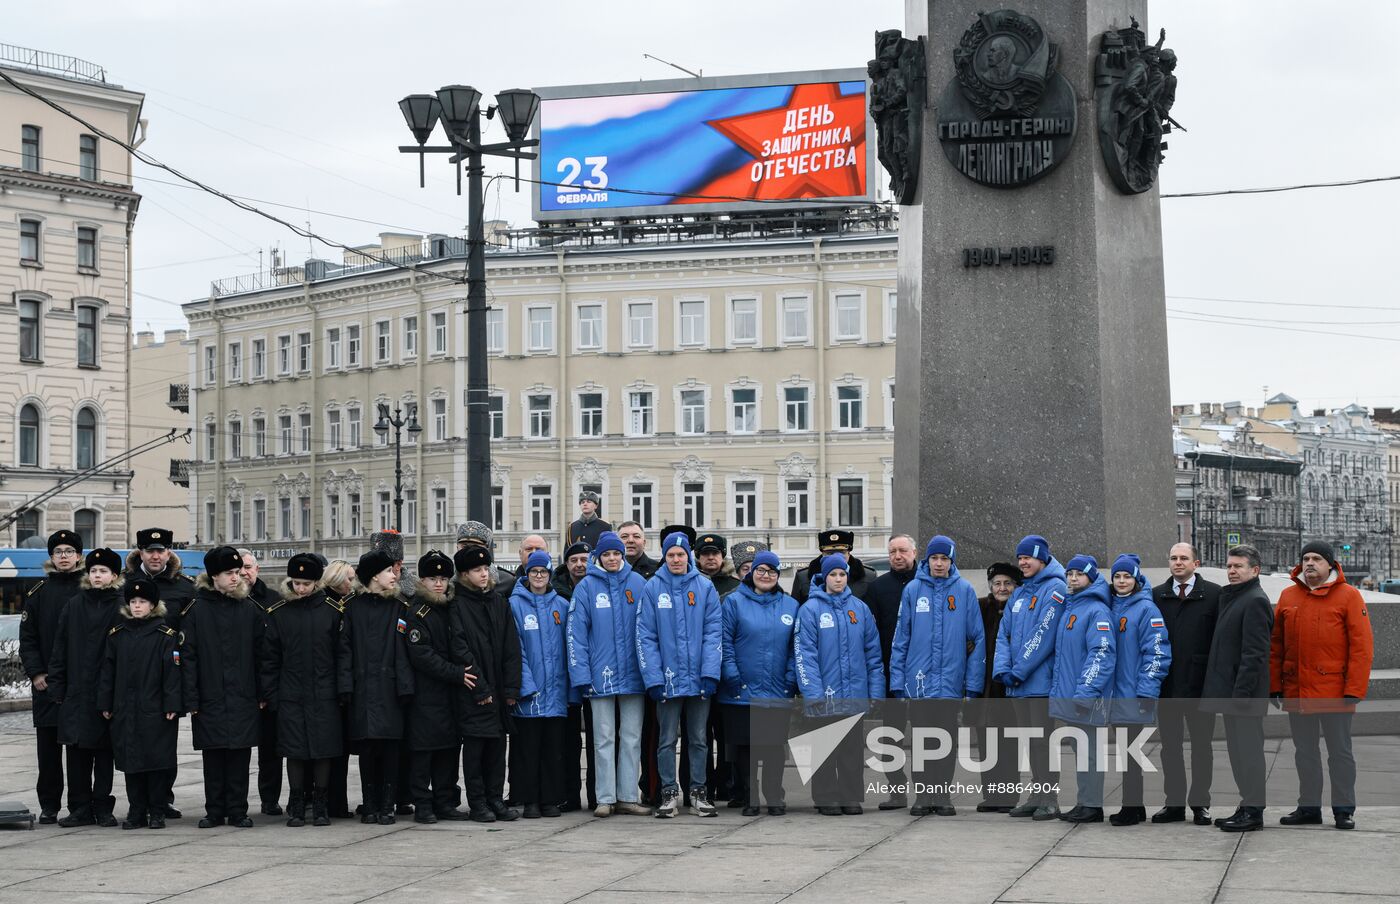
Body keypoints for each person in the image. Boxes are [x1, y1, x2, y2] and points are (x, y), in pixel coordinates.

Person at [1271, 541, 1374, 831]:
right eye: (1306, 558)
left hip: (1335, 692)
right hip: (1297, 689)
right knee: (1304, 753)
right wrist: (1274, 685)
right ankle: (1308, 807)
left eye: (1317, 558)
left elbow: (1362, 647)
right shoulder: (1288, 596)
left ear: (1330, 564)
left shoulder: (1349, 596)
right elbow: (1276, 646)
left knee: (1339, 753)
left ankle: (1343, 809)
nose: (1310, 563)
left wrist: (1353, 689)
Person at [888, 535, 985, 816]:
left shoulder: (964, 591)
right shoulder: (913, 591)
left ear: (952, 561)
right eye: (935, 558)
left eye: (944, 559)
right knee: (920, 741)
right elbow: (901, 638)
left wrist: (972, 685)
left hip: (950, 683)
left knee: (945, 741)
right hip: (918, 682)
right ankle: (923, 795)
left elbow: (976, 639)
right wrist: (897, 681)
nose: (939, 563)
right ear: (927, 559)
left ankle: (942, 795)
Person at [259, 553, 351, 828]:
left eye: (306, 583)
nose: (301, 589)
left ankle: (321, 805)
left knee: (323, 751)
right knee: (295, 751)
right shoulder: (279, 614)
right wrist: (271, 694)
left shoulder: (332, 612)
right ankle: (297, 804)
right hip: (291, 694)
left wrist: (343, 690)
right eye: (297, 583)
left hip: (325, 694)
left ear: (316, 583)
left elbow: (342, 655)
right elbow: (270, 659)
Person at [637, 532, 723, 818]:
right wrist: (654, 678)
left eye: (681, 554)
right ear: (665, 556)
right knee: (666, 740)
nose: (676, 559)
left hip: (699, 678)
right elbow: (646, 636)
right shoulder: (653, 589)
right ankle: (668, 792)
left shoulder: (704, 587)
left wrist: (710, 673)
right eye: (671, 555)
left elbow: (713, 632)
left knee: (698, 738)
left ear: (689, 557)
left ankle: (699, 791)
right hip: (667, 679)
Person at [567, 531, 652, 818]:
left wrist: (649, 671)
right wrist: (581, 675)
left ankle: (627, 796)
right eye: (607, 554)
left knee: (631, 737)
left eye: (616, 553)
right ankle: (605, 797)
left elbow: (649, 630)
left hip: (633, 676)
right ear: (599, 557)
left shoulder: (639, 584)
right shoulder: (587, 588)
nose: (613, 558)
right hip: (598, 675)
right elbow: (576, 634)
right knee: (603, 738)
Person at [182, 545, 265, 828]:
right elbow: (188, 657)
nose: (236, 577)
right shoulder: (196, 610)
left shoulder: (249, 609)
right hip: (210, 697)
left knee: (240, 756)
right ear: (213, 576)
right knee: (214, 756)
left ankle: (238, 809)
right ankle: (215, 810)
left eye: (238, 572)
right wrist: (191, 698)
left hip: (243, 695)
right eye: (229, 573)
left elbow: (261, 655)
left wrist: (262, 693)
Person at [794, 554, 883, 815]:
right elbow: (804, 655)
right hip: (824, 693)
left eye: (842, 574)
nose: (838, 579)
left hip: (854, 693)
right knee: (824, 748)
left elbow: (872, 654)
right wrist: (813, 692)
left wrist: (875, 691)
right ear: (824, 577)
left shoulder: (859, 609)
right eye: (833, 575)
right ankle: (826, 796)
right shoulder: (810, 610)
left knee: (851, 750)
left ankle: (850, 795)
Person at [47, 547, 125, 827]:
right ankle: (79, 807)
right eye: (93, 570)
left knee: (104, 755)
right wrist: (57, 686)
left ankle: (103, 806)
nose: (97, 576)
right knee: (77, 755)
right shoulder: (74, 604)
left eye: (103, 571)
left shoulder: (121, 606)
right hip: (76, 694)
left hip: (107, 694)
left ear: (114, 575)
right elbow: (60, 647)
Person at [993, 535, 1068, 820]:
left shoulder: (1055, 588)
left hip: (1038, 683)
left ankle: (1050, 798)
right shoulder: (1020, 593)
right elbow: (1004, 634)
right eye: (1020, 558)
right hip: (1016, 683)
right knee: (1029, 740)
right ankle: (1036, 795)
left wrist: (1019, 670)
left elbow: (1044, 634)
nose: (1023, 562)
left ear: (1042, 559)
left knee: (1043, 742)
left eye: (1028, 558)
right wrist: (1003, 670)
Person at [719, 550, 798, 816]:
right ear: (751, 573)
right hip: (741, 689)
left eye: (772, 572)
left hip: (777, 689)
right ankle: (750, 797)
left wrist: (790, 678)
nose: (766, 576)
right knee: (746, 748)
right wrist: (731, 675)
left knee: (774, 747)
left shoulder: (790, 606)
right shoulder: (734, 602)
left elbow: (794, 648)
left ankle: (774, 796)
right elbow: (725, 642)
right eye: (761, 571)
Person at [1201, 544, 1274, 833]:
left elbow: (1255, 654)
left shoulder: (1254, 600)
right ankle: (1247, 805)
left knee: (1249, 753)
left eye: (1238, 566)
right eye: (1229, 566)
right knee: (1238, 753)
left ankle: (1254, 811)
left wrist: (1241, 695)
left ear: (1254, 570)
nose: (1231, 571)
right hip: (1233, 694)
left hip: (1244, 696)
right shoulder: (1234, 597)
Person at [122, 527, 193, 820]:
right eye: (149, 550)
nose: (155, 555)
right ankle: (140, 803)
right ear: (140, 552)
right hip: (131, 676)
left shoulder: (184, 587)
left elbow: (192, 632)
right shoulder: (124, 584)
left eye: (160, 550)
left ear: (168, 552)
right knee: (133, 743)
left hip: (169, 675)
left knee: (164, 743)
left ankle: (163, 799)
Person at [98, 578, 180, 829]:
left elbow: (172, 674)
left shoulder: (165, 636)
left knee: (156, 761)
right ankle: (136, 810)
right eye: (133, 601)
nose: (136, 606)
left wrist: (172, 704)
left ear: (153, 605)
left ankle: (156, 810)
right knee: (131, 761)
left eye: (142, 602)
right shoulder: (118, 635)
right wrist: (106, 702)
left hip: (154, 708)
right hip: (125, 708)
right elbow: (107, 672)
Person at [450, 545, 523, 823]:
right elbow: (460, 648)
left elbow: (510, 648)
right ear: (464, 574)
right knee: (476, 749)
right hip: (474, 691)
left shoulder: (497, 601)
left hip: (499, 687)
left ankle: (495, 798)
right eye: (476, 570)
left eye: (485, 569)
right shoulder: (457, 604)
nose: (483, 574)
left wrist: (511, 688)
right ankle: (478, 802)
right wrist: (479, 688)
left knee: (496, 748)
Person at [1150, 542, 1221, 825]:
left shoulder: (1214, 595)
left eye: (1183, 558)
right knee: (1170, 747)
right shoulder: (1156, 596)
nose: (1178, 563)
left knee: (1202, 747)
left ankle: (1200, 804)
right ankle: (1174, 804)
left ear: (1196, 563)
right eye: (1173, 558)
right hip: (1167, 686)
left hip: (1200, 686)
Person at [344, 551, 415, 824]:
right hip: (362, 690)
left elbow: (404, 652)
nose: (394, 575)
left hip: (391, 691)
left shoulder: (399, 608)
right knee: (367, 751)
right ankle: (370, 803)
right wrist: (346, 688)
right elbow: (345, 651)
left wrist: (405, 688)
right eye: (389, 571)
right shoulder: (352, 608)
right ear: (374, 575)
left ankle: (387, 804)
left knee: (390, 751)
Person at [404, 550, 473, 823]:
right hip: (425, 694)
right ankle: (422, 802)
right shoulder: (417, 611)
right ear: (422, 580)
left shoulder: (451, 608)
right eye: (433, 578)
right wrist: (455, 673)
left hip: (450, 695)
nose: (438, 584)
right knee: (423, 752)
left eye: (443, 578)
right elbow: (421, 654)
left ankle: (445, 800)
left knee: (448, 749)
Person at [20, 529, 84, 824]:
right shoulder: (38, 594)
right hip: (46, 684)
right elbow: (28, 639)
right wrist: (36, 673)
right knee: (48, 751)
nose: (64, 557)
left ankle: (80, 804)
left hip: (78, 685)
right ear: (51, 557)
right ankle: (49, 804)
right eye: (58, 552)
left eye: (69, 552)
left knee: (80, 750)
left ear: (79, 556)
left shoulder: (88, 591)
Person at [1048, 555, 1116, 824]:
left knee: (1090, 753)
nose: (1073, 578)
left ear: (1092, 577)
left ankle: (1092, 805)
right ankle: (1085, 801)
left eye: (1079, 574)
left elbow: (1101, 653)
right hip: (1071, 694)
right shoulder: (1072, 607)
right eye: (1070, 573)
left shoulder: (1096, 610)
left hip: (1086, 696)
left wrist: (1085, 693)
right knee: (1082, 752)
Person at [1105, 554, 1171, 826]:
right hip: (1113, 694)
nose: (1122, 581)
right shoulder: (1109, 606)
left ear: (1136, 579)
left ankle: (1132, 806)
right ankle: (1134, 806)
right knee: (1125, 753)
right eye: (1118, 577)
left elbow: (1157, 652)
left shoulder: (1146, 609)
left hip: (1133, 693)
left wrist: (1147, 691)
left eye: (1127, 577)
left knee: (1131, 754)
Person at [509, 552, 576, 818]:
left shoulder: (561, 605)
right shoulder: (514, 605)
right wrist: (525, 685)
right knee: (528, 751)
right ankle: (530, 800)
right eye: (534, 572)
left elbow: (569, 647)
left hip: (556, 693)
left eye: (544, 572)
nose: (539, 577)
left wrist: (570, 689)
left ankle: (550, 799)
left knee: (553, 750)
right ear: (527, 574)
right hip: (530, 694)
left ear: (550, 575)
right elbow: (516, 650)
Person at [860, 534, 919, 811]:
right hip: (890, 672)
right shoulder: (877, 587)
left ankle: (927, 791)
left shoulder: (927, 585)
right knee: (890, 737)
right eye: (893, 551)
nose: (897, 555)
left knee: (925, 736)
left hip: (921, 674)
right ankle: (897, 791)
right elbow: (871, 634)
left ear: (914, 552)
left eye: (903, 550)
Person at [237, 548, 284, 817]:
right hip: (241, 686)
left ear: (258, 570)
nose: (244, 572)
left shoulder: (274, 600)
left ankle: (269, 799)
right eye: (239, 568)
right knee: (238, 750)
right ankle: (236, 801)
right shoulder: (227, 600)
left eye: (248, 567)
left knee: (271, 749)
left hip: (267, 685)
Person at [972, 563, 1023, 812]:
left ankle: (1008, 796)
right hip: (985, 685)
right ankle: (991, 794)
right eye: (997, 583)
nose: (1002, 588)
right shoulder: (981, 607)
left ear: (1016, 586)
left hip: (1010, 685)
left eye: (1008, 583)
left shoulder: (1021, 608)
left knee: (1008, 742)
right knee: (986, 741)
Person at [321, 560, 357, 819]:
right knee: (330, 750)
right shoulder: (327, 607)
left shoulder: (351, 605)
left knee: (342, 750)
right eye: (349, 579)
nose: (352, 584)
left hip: (346, 685)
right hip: (328, 686)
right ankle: (327, 801)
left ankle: (338, 802)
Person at [790, 529, 877, 604]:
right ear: (822, 554)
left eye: (841, 553)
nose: (836, 557)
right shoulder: (804, 578)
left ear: (849, 553)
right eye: (829, 553)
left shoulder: (868, 577)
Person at [458, 521, 520, 591]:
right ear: (457, 547)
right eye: (464, 546)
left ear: (486, 550)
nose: (469, 551)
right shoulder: (447, 579)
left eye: (476, 547)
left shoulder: (506, 581)